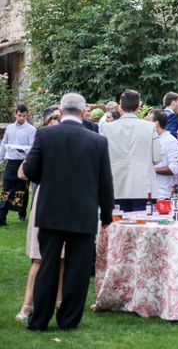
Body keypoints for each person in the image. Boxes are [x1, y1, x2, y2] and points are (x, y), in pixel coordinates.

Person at [23, 93, 114, 331]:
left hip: (51, 211)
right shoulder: (97, 141)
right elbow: (106, 182)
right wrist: (106, 216)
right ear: (84, 114)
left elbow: (31, 170)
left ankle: (40, 319)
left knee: (48, 265)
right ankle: (68, 319)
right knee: (78, 269)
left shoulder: (44, 135)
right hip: (82, 213)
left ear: (60, 112)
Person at [15, 106, 63, 322]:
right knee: (39, 258)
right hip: (44, 201)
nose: (59, 121)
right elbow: (22, 172)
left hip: (65, 203)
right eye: (55, 118)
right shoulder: (41, 143)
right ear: (47, 122)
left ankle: (60, 304)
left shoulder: (70, 143)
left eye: (61, 118)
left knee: (62, 259)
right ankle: (27, 305)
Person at [101, 89, 162, 211]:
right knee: (144, 228)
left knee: (118, 228)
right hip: (143, 186)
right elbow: (157, 157)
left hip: (116, 185)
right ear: (139, 106)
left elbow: (102, 158)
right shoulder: (149, 127)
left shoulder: (107, 128)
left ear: (120, 106)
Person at [0, 103, 36, 225]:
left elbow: (32, 148)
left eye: (24, 116)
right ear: (15, 114)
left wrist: (21, 149)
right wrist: (0, 157)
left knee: (22, 190)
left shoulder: (31, 130)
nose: (21, 118)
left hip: (24, 162)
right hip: (11, 161)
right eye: (19, 115)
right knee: (6, 188)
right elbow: (4, 143)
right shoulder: (10, 128)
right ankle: (2, 215)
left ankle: (21, 213)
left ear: (27, 115)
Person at [151, 110, 178, 199]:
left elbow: (175, 168)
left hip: (164, 194)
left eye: (149, 122)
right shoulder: (153, 139)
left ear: (156, 123)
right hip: (151, 193)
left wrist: (151, 170)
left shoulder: (170, 141)